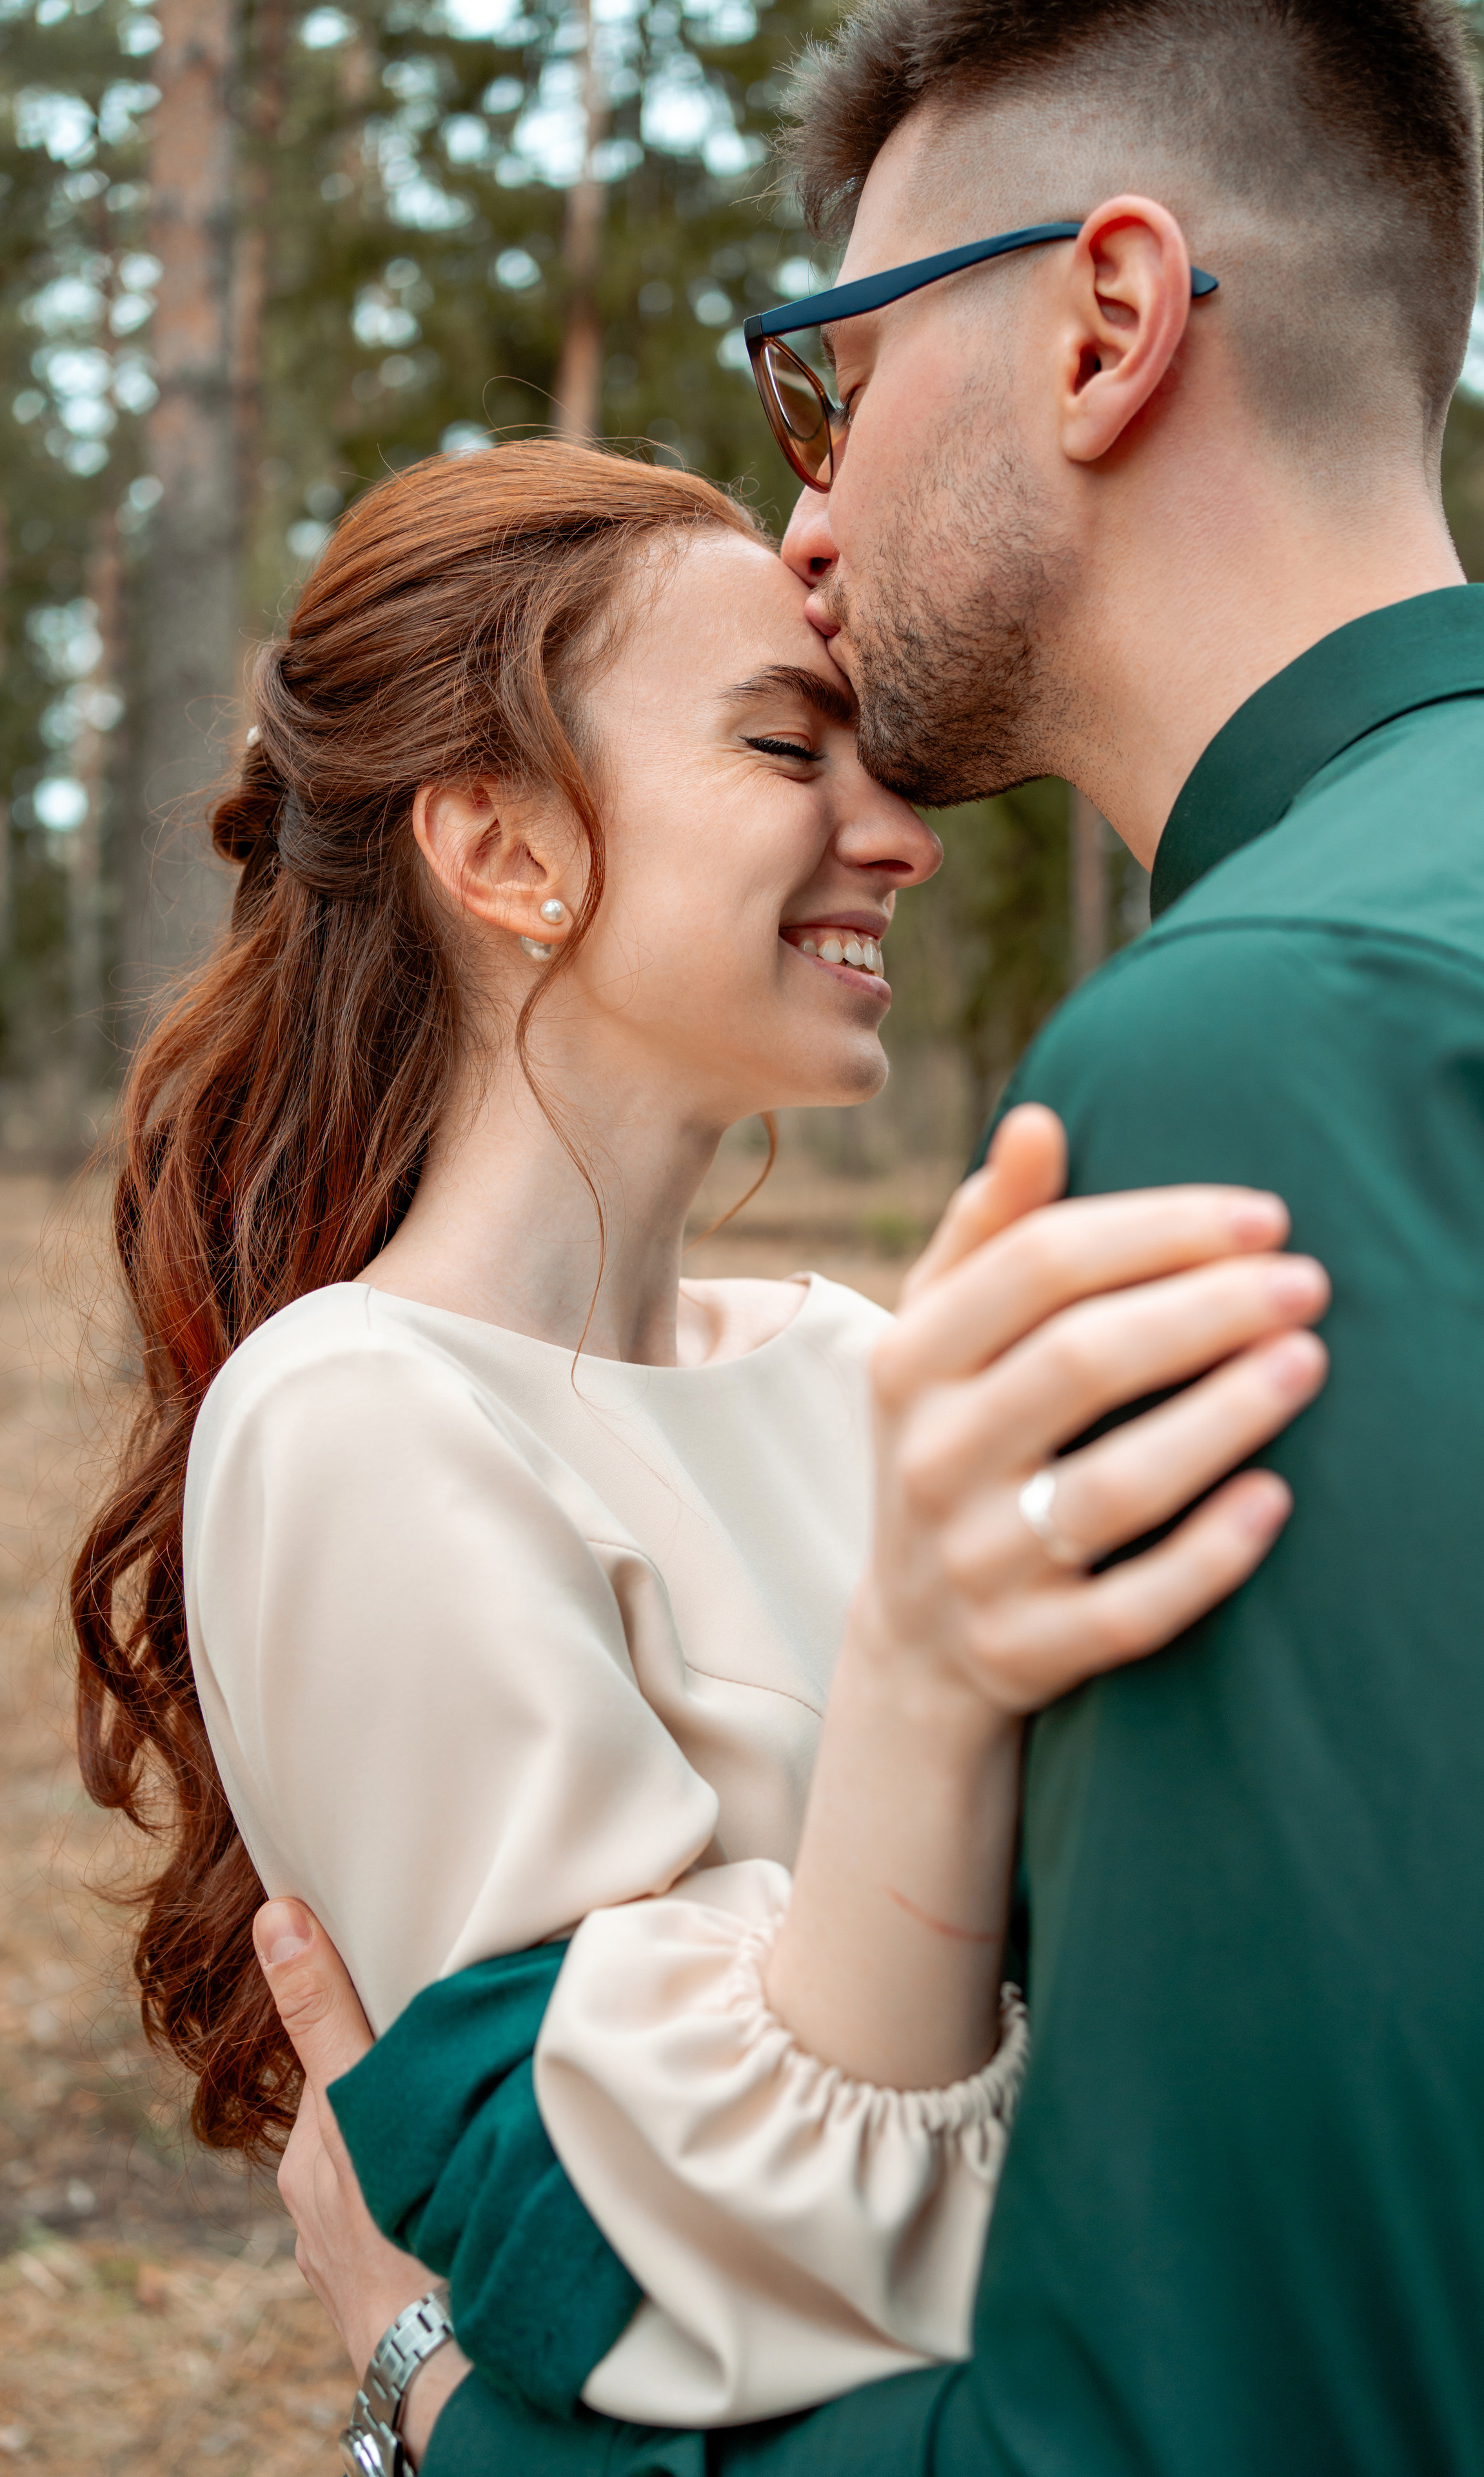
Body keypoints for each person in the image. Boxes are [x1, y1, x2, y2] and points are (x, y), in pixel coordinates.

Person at [265, 0, 1484, 2471]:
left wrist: (445, 2409)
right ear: (495, 848)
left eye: (836, 375)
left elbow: (1279, 2395)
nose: (810, 510)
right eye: (771, 749)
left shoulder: (1274, 1057)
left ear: (1105, 326)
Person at [72, 443, 1330, 2467]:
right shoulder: (353, 1421)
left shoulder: (854, 1362)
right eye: (783, 748)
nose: (897, 833)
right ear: (499, 848)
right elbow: (660, 2266)